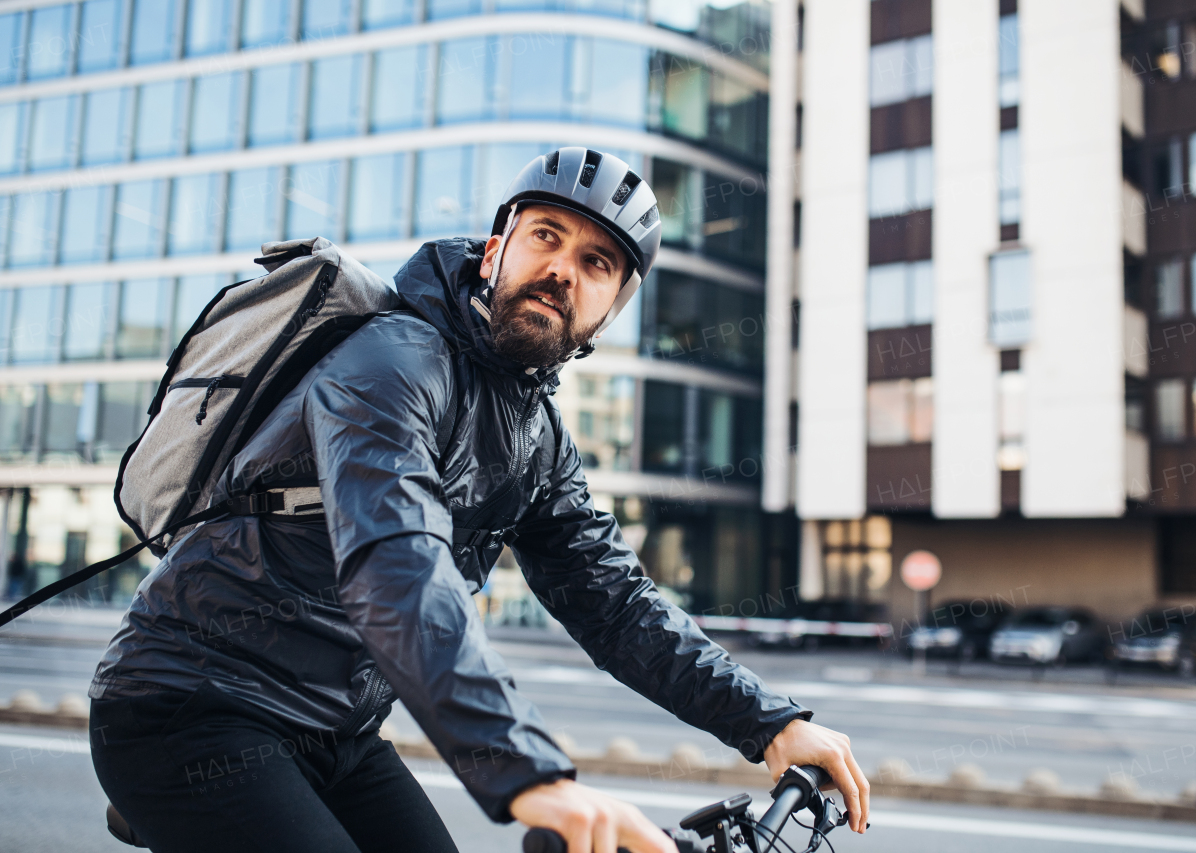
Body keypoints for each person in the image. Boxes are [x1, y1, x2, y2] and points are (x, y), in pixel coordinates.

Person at [88, 148, 870, 853]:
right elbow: (397, 565)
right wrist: (532, 774)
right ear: (496, 250)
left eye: (597, 262)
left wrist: (770, 720)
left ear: (611, 312)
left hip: (340, 732)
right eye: (546, 237)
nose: (565, 268)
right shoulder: (392, 361)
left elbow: (616, 603)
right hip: (192, 707)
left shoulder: (539, 436)